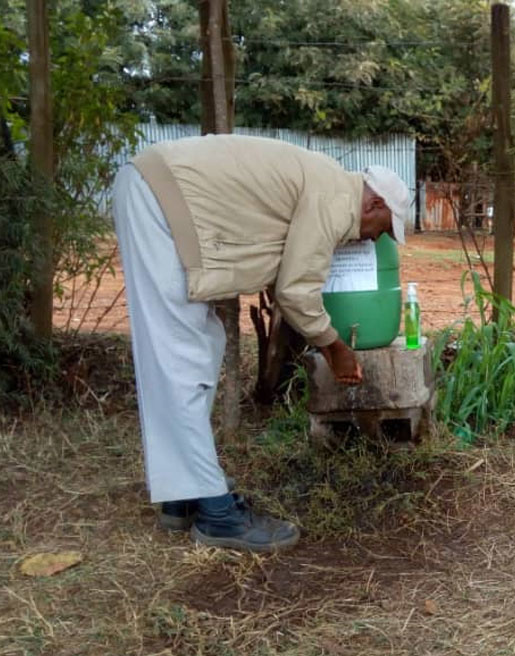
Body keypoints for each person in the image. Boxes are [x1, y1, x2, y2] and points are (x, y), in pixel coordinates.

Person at [112, 134, 413, 551]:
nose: (374, 240)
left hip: (160, 197)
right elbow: (296, 291)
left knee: (200, 345)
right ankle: (217, 515)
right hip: (159, 202)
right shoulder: (335, 199)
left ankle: (182, 495)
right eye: (382, 231)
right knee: (180, 358)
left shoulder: (330, 186)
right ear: (374, 204)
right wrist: (335, 347)